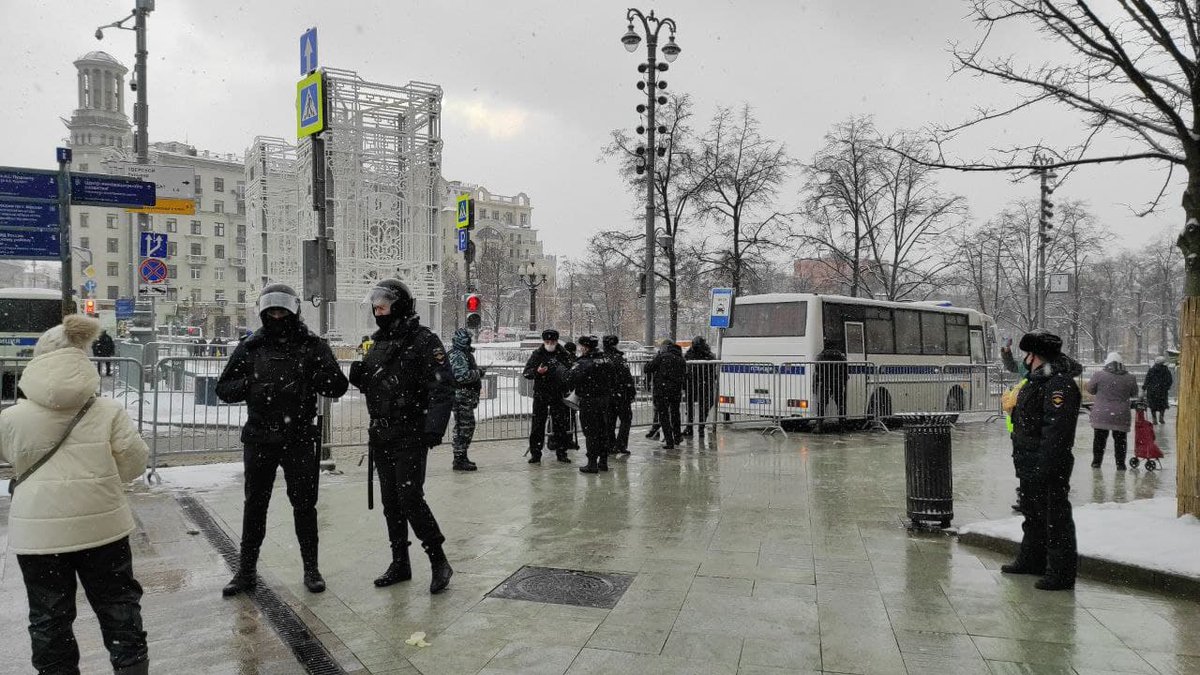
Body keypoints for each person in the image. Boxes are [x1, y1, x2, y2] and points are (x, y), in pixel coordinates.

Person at [0, 314, 150, 674]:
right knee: (119, 610)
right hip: (103, 529)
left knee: (50, 619)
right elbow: (134, 462)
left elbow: (12, 461)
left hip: (39, 535)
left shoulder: (11, 418)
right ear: (82, 358)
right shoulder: (108, 411)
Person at [215, 284, 349, 596]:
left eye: (282, 310)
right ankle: (246, 570)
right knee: (255, 506)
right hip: (260, 437)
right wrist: (253, 385)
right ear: (263, 312)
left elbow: (337, 386)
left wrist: (312, 376)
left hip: (298, 438)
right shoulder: (252, 346)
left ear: (294, 311)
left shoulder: (311, 345)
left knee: (305, 506)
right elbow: (224, 388)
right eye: (271, 310)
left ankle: (311, 568)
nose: (277, 315)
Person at [349, 279, 455, 594]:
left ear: (401, 305)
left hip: (411, 431)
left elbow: (442, 385)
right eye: (375, 303)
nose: (377, 309)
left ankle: (439, 561)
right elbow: (380, 385)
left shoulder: (423, 340)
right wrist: (361, 378)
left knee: (410, 498)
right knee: (390, 502)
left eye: (384, 303)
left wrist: (434, 426)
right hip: (381, 432)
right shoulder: (377, 341)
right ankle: (400, 562)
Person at [1002, 330, 1081, 591]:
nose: (1025, 359)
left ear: (1038, 356)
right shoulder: (1038, 380)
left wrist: (1045, 465)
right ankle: (1032, 560)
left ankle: (1060, 572)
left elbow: (1056, 429)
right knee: (1033, 514)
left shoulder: (1058, 384)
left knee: (1054, 518)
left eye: (1029, 354)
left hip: (1046, 463)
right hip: (1029, 460)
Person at [559, 335, 618, 473]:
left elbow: (568, 379)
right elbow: (614, 378)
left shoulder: (584, 363)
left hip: (589, 401)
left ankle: (592, 463)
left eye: (581, 346)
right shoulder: (606, 360)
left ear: (585, 347)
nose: (580, 349)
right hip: (604, 400)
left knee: (591, 432)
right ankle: (603, 462)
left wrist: (562, 369)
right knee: (603, 431)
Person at [522, 329, 574, 463]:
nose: (550, 344)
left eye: (552, 342)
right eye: (547, 341)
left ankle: (561, 452)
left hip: (558, 394)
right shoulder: (538, 354)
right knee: (538, 424)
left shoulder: (563, 353)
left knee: (560, 424)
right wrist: (537, 372)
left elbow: (571, 370)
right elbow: (526, 372)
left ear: (557, 342)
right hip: (541, 393)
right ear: (544, 341)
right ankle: (536, 453)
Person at [1085, 352, 1140, 470]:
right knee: (1120, 441)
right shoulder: (1130, 377)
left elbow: (1090, 389)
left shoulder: (1099, 375)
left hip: (1102, 413)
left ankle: (1096, 462)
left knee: (1099, 439)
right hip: (1121, 414)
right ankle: (1120, 464)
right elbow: (1134, 392)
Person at [448, 328, 482, 471]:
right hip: (461, 397)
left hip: (464, 397)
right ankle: (459, 458)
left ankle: (461, 456)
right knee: (464, 428)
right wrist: (478, 373)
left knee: (465, 427)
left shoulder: (462, 354)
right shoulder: (458, 355)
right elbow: (462, 376)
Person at [644, 339, 686, 450]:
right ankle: (677, 437)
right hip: (676, 390)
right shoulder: (681, 358)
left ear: (665, 347)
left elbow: (648, 368)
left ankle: (669, 441)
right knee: (675, 414)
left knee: (664, 416)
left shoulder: (663, 356)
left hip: (662, 391)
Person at [603, 335, 636, 454]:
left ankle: (610, 445)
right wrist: (631, 392)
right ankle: (620, 444)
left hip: (608, 394)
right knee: (626, 420)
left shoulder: (603, 358)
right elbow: (627, 377)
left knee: (609, 421)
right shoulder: (618, 359)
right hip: (621, 394)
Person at [683, 336, 717, 438]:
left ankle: (691, 428)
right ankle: (700, 428)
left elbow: (687, 367)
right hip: (702, 384)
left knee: (691, 407)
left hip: (694, 384)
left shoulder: (690, 354)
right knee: (702, 407)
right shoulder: (708, 355)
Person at [813, 341, 849, 426]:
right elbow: (845, 369)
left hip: (825, 382)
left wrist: (818, 381)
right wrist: (843, 380)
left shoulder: (821, 356)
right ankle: (842, 424)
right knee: (840, 404)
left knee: (822, 404)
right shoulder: (840, 356)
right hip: (837, 382)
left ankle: (819, 425)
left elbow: (817, 369)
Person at [1143, 356, 1173, 425]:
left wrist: (1144, 388)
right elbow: (1170, 380)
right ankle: (1161, 417)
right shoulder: (1166, 370)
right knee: (1162, 405)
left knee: (1152, 405)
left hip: (1152, 391)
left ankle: (1154, 419)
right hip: (1162, 391)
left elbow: (1147, 380)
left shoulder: (1151, 370)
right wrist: (1166, 387)